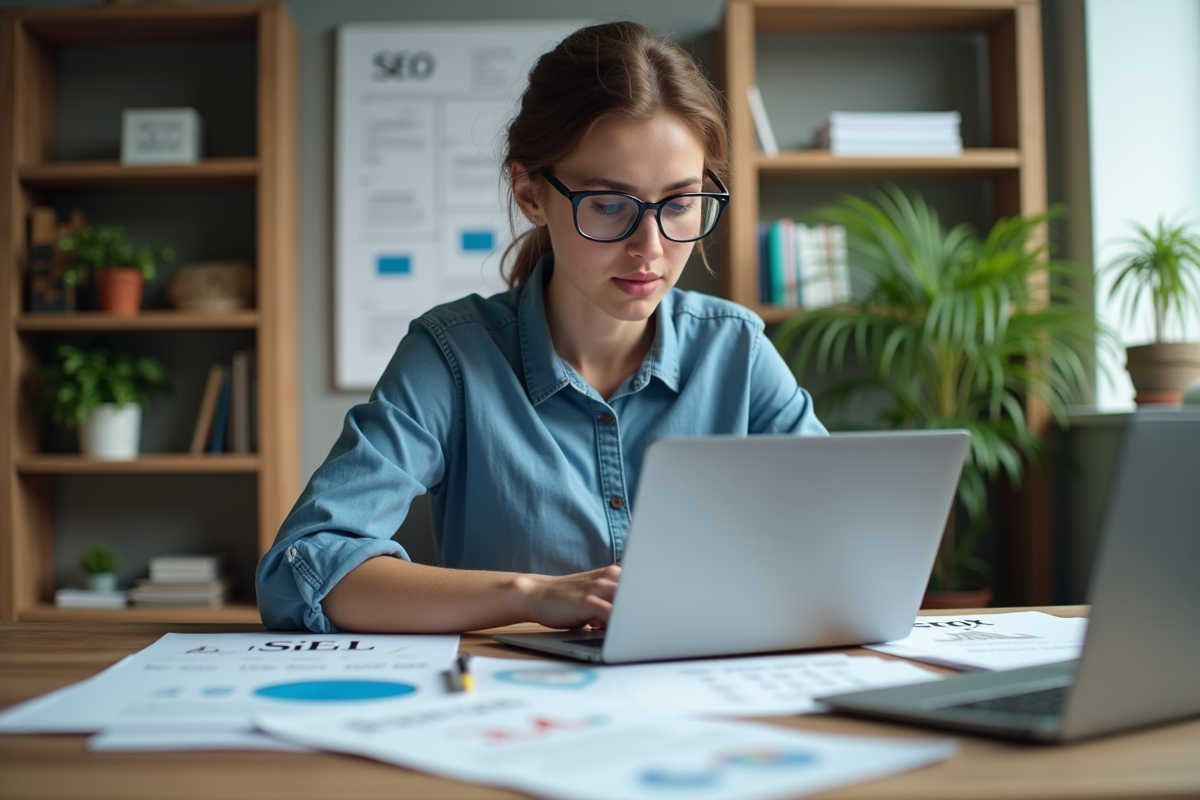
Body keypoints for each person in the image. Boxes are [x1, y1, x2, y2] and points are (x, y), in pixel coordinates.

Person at [256, 20, 826, 634]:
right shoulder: (451, 356)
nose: (651, 248)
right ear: (530, 194)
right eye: (609, 205)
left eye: (680, 204)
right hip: (508, 690)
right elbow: (301, 568)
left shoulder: (736, 349)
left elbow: (844, 537)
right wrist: (530, 596)